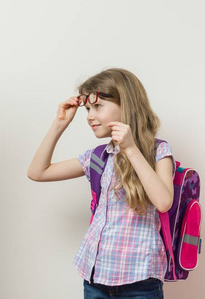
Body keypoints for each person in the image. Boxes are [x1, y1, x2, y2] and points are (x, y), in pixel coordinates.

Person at [27, 68, 174, 298]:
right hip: (96, 277)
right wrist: (59, 124)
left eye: (97, 107)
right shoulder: (98, 157)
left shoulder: (158, 151)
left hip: (140, 280)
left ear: (125, 104)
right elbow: (38, 172)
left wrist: (131, 148)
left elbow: (164, 202)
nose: (89, 116)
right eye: (87, 109)